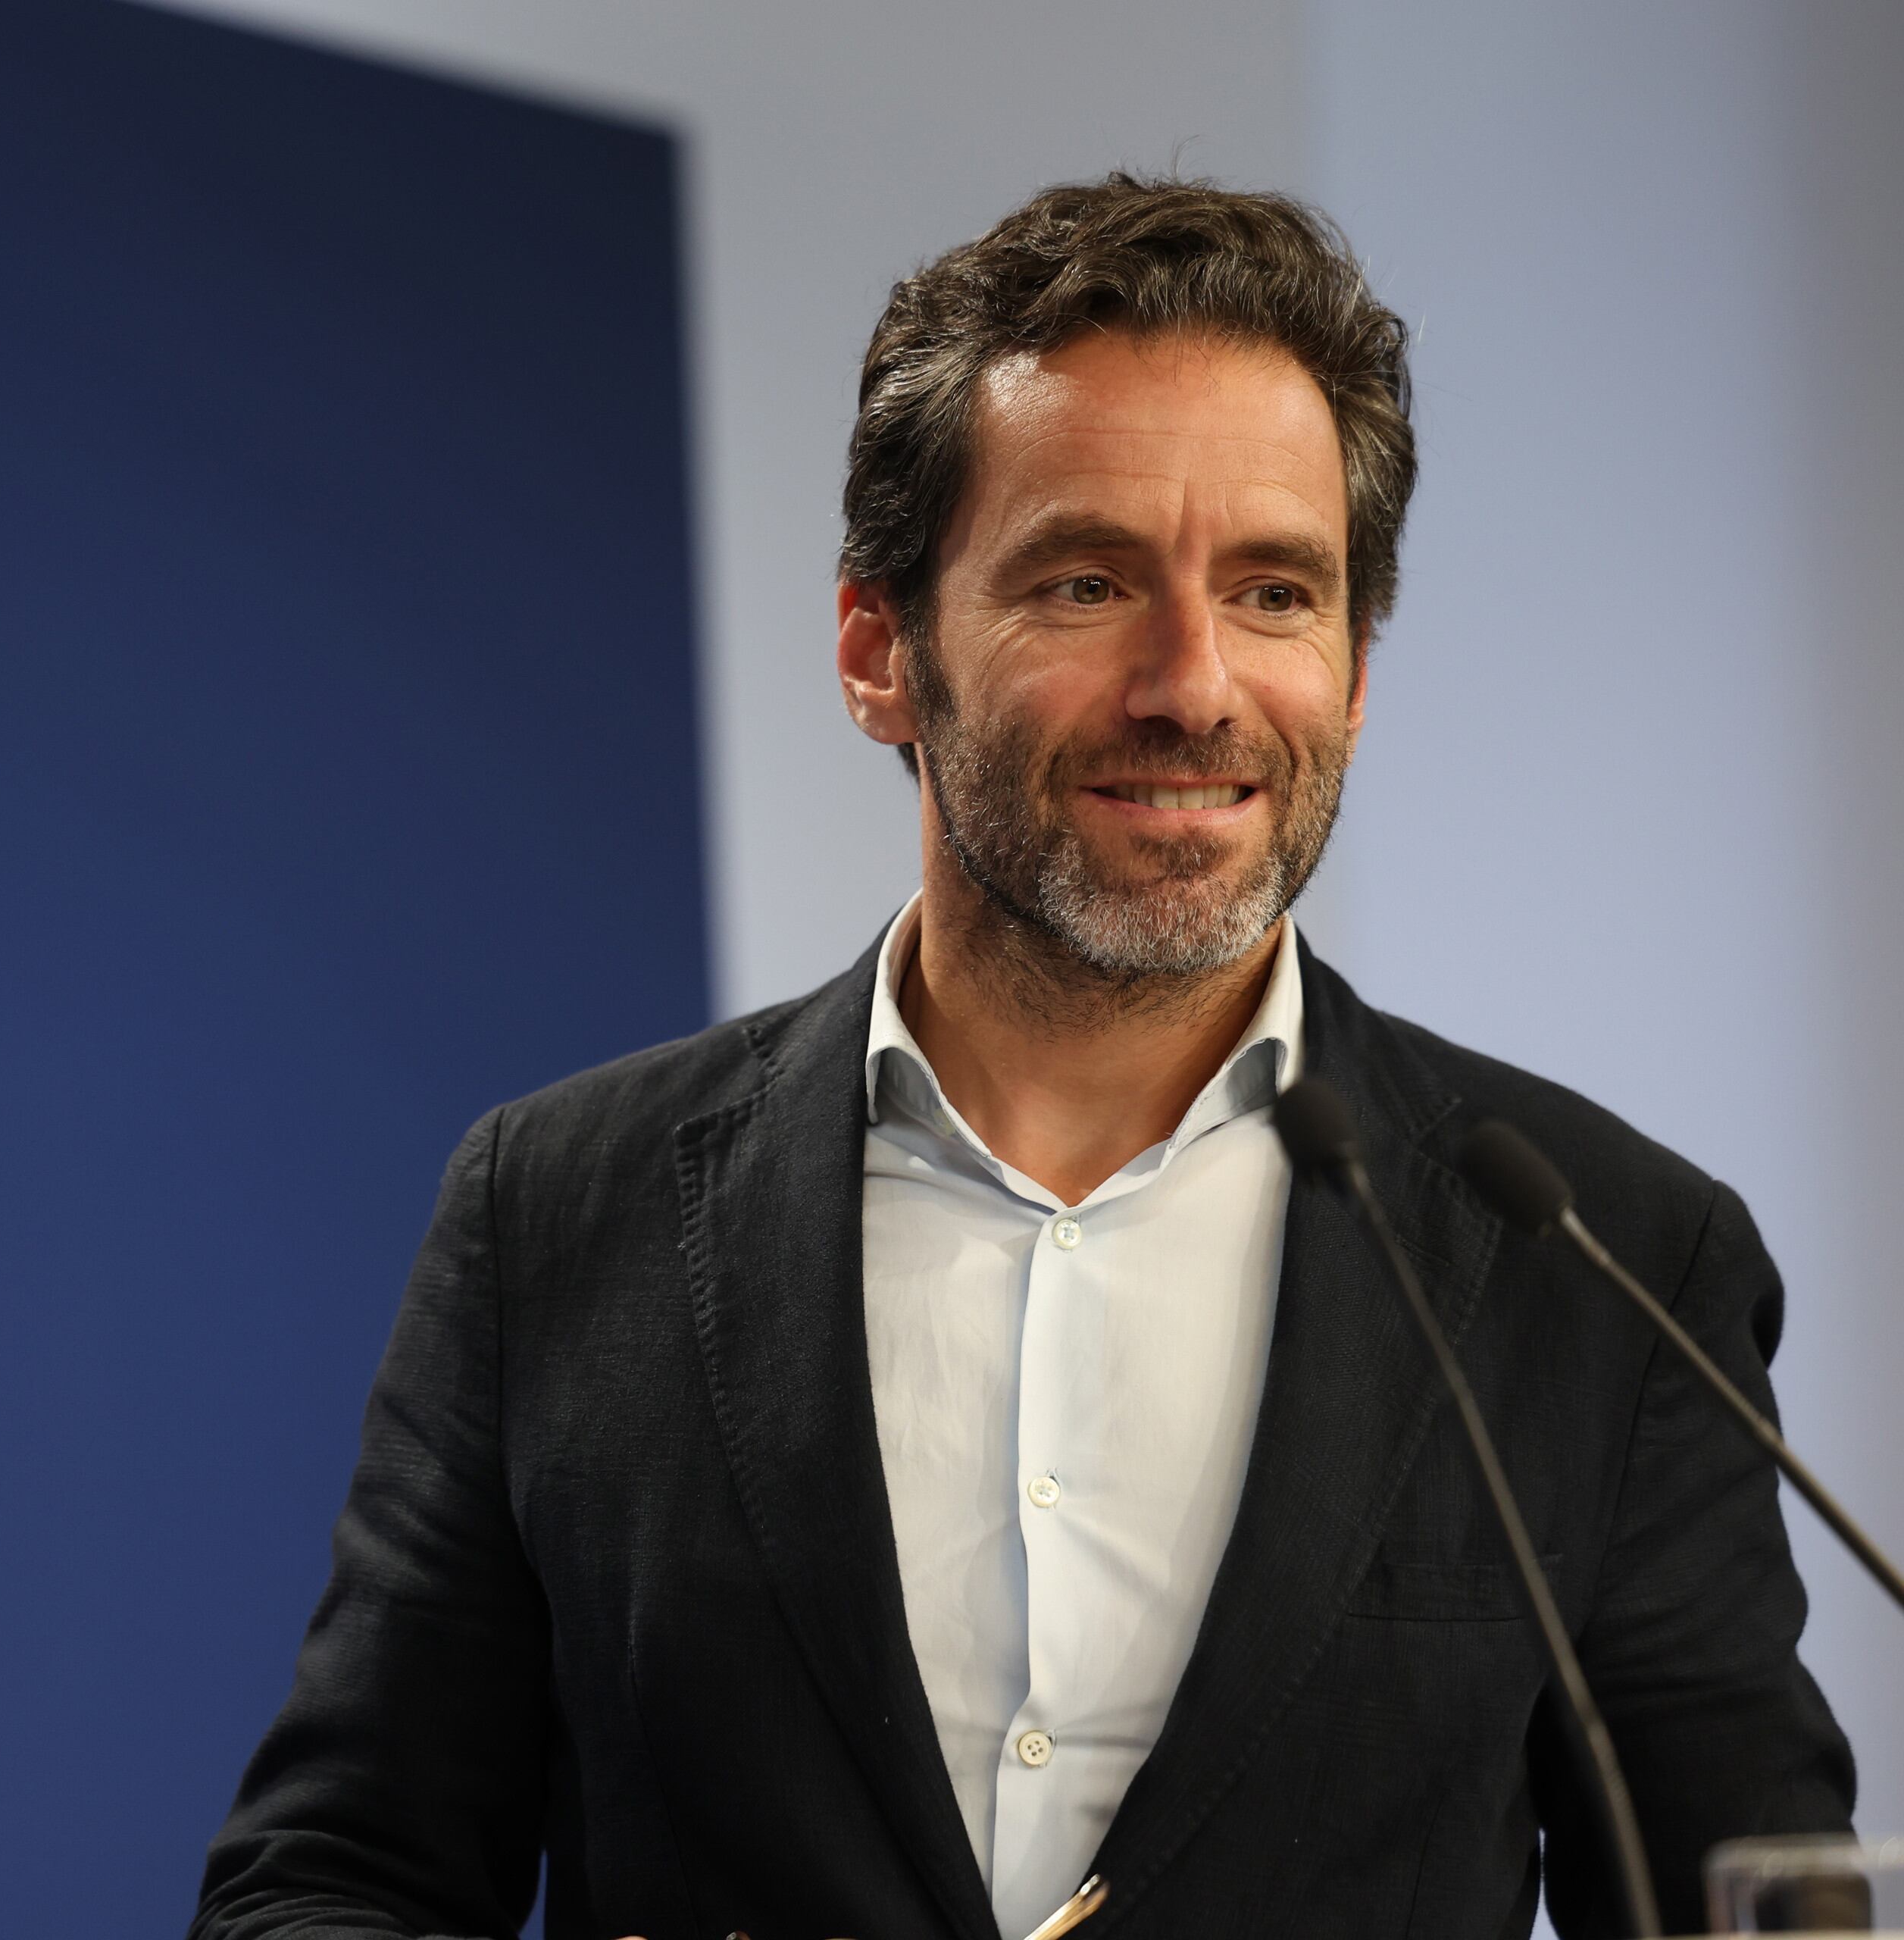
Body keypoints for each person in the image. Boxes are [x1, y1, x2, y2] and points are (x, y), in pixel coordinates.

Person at [189, 175, 1853, 1940]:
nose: (1194, 684)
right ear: (877, 651)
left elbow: (1752, 1910)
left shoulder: (1604, 1262)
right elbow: (332, 1884)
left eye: (1275, 591)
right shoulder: (551, 1215)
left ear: (1355, 671)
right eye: (1087, 580)